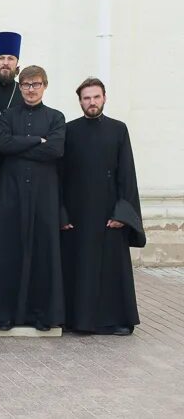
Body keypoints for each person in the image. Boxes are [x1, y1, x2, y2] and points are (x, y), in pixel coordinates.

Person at [61, 77, 145, 335]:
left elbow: (127, 174)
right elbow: (59, 176)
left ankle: (115, 320)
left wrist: (123, 213)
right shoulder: (68, 130)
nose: (92, 102)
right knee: (79, 267)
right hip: (77, 214)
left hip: (109, 213)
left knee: (111, 269)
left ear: (104, 98)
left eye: (96, 97)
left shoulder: (118, 130)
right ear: (80, 102)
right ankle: (78, 321)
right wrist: (61, 213)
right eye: (86, 98)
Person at [0, 65, 66, 331]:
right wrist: (38, 140)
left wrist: (21, 145)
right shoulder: (7, 116)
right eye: (25, 85)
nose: (30, 90)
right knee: (9, 252)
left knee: (43, 253)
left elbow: (56, 150)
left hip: (44, 195)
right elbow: (3, 145)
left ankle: (42, 314)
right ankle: (6, 314)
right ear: (19, 86)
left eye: (35, 84)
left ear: (45, 86)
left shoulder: (56, 117)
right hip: (11, 194)